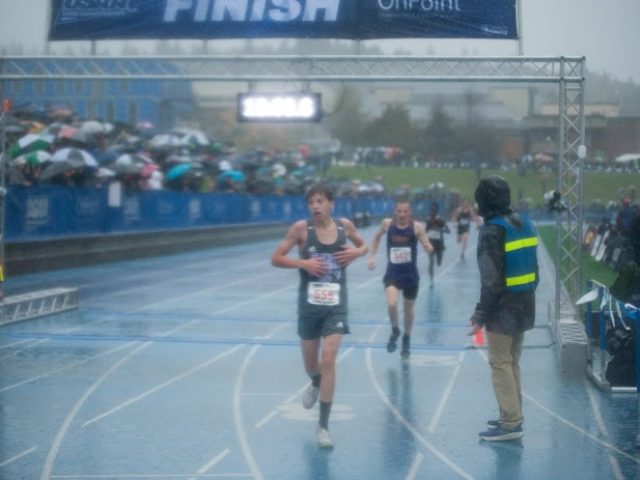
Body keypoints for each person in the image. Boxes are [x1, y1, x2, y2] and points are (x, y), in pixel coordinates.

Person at [271, 183, 368, 448]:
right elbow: (276, 257)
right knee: (312, 365)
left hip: (336, 305)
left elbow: (363, 246)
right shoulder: (301, 229)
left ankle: (323, 427)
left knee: (329, 358)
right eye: (311, 202)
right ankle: (314, 381)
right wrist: (303, 263)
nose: (315, 206)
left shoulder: (344, 227)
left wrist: (358, 252)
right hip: (309, 306)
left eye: (320, 201)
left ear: (331, 204)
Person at [468, 176, 538, 442]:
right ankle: (513, 413)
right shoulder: (525, 223)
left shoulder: (491, 232)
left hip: (503, 309)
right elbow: (536, 268)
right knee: (512, 361)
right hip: (525, 301)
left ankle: (510, 423)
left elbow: (491, 281)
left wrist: (479, 314)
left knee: (500, 362)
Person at [368, 198, 433, 359]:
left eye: (405, 211)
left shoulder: (416, 227)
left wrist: (428, 248)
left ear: (410, 212)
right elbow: (376, 238)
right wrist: (372, 257)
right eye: (399, 211)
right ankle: (395, 329)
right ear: (394, 211)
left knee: (408, 309)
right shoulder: (387, 224)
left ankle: (406, 338)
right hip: (393, 273)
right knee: (391, 303)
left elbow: (428, 244)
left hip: (410, 275)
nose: (402, 214)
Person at [425, 202, 450, 285]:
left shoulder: (441, 220)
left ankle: (440, 257)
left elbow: (448, 230)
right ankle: (431, 279)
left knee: (438, 263)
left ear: (436, 210)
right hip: (430, 243)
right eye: (431, 209)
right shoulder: (428, 219)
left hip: (439, 244)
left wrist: (440, 230)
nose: (432, 211)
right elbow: (425, 230)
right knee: (431, 261)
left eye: (434, 210)